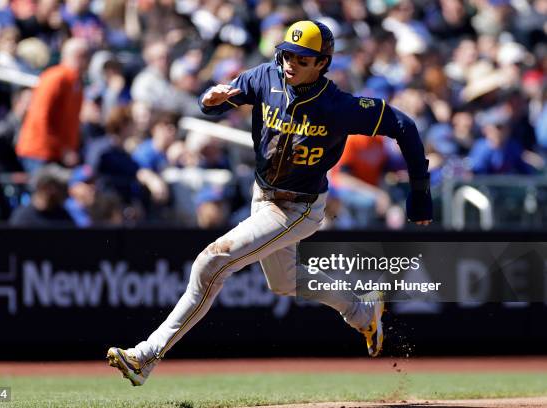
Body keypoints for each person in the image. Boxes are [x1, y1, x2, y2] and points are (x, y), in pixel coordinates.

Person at [106, 20, 433, 386]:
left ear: (322, 62)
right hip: (262, 196)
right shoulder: (265, 77)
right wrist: (209, 100)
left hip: (300, 207)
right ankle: (362, 312)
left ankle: (146, 355)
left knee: (211, 261)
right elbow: (214, 102)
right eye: (287, 53)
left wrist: (419, 191)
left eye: (302, 57)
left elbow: (403, 125)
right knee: (285, 282)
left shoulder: (337, 104)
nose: (290, 62)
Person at [15, 38, 89, 173]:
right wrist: (63, 149)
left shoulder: (75, 81)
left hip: (58, 153)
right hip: (40, 151)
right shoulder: (56, 77)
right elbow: (40, 115)